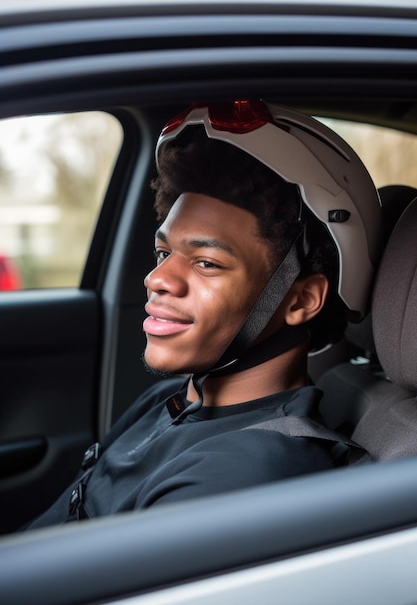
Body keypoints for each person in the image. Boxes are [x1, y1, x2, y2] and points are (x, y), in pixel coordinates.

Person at [26, 100, 381, 528]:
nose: (157, 279)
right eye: (163, 252)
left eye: (206, 262)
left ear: (301, 300)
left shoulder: (245, 472)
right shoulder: (174, 399)